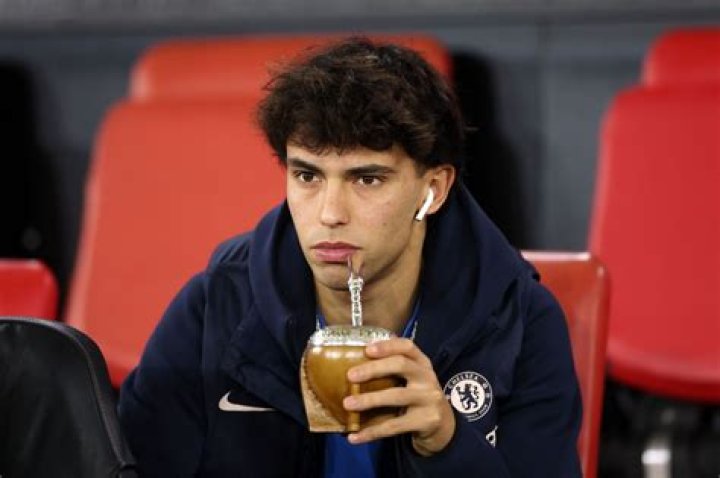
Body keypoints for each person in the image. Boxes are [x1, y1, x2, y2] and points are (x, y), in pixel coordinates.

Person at [118, 37, 582, 477]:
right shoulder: (216, 306)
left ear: (433, 189)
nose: (330, 214)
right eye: (307, 176)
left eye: (367, 179)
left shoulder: (521, 320)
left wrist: (447, 444)